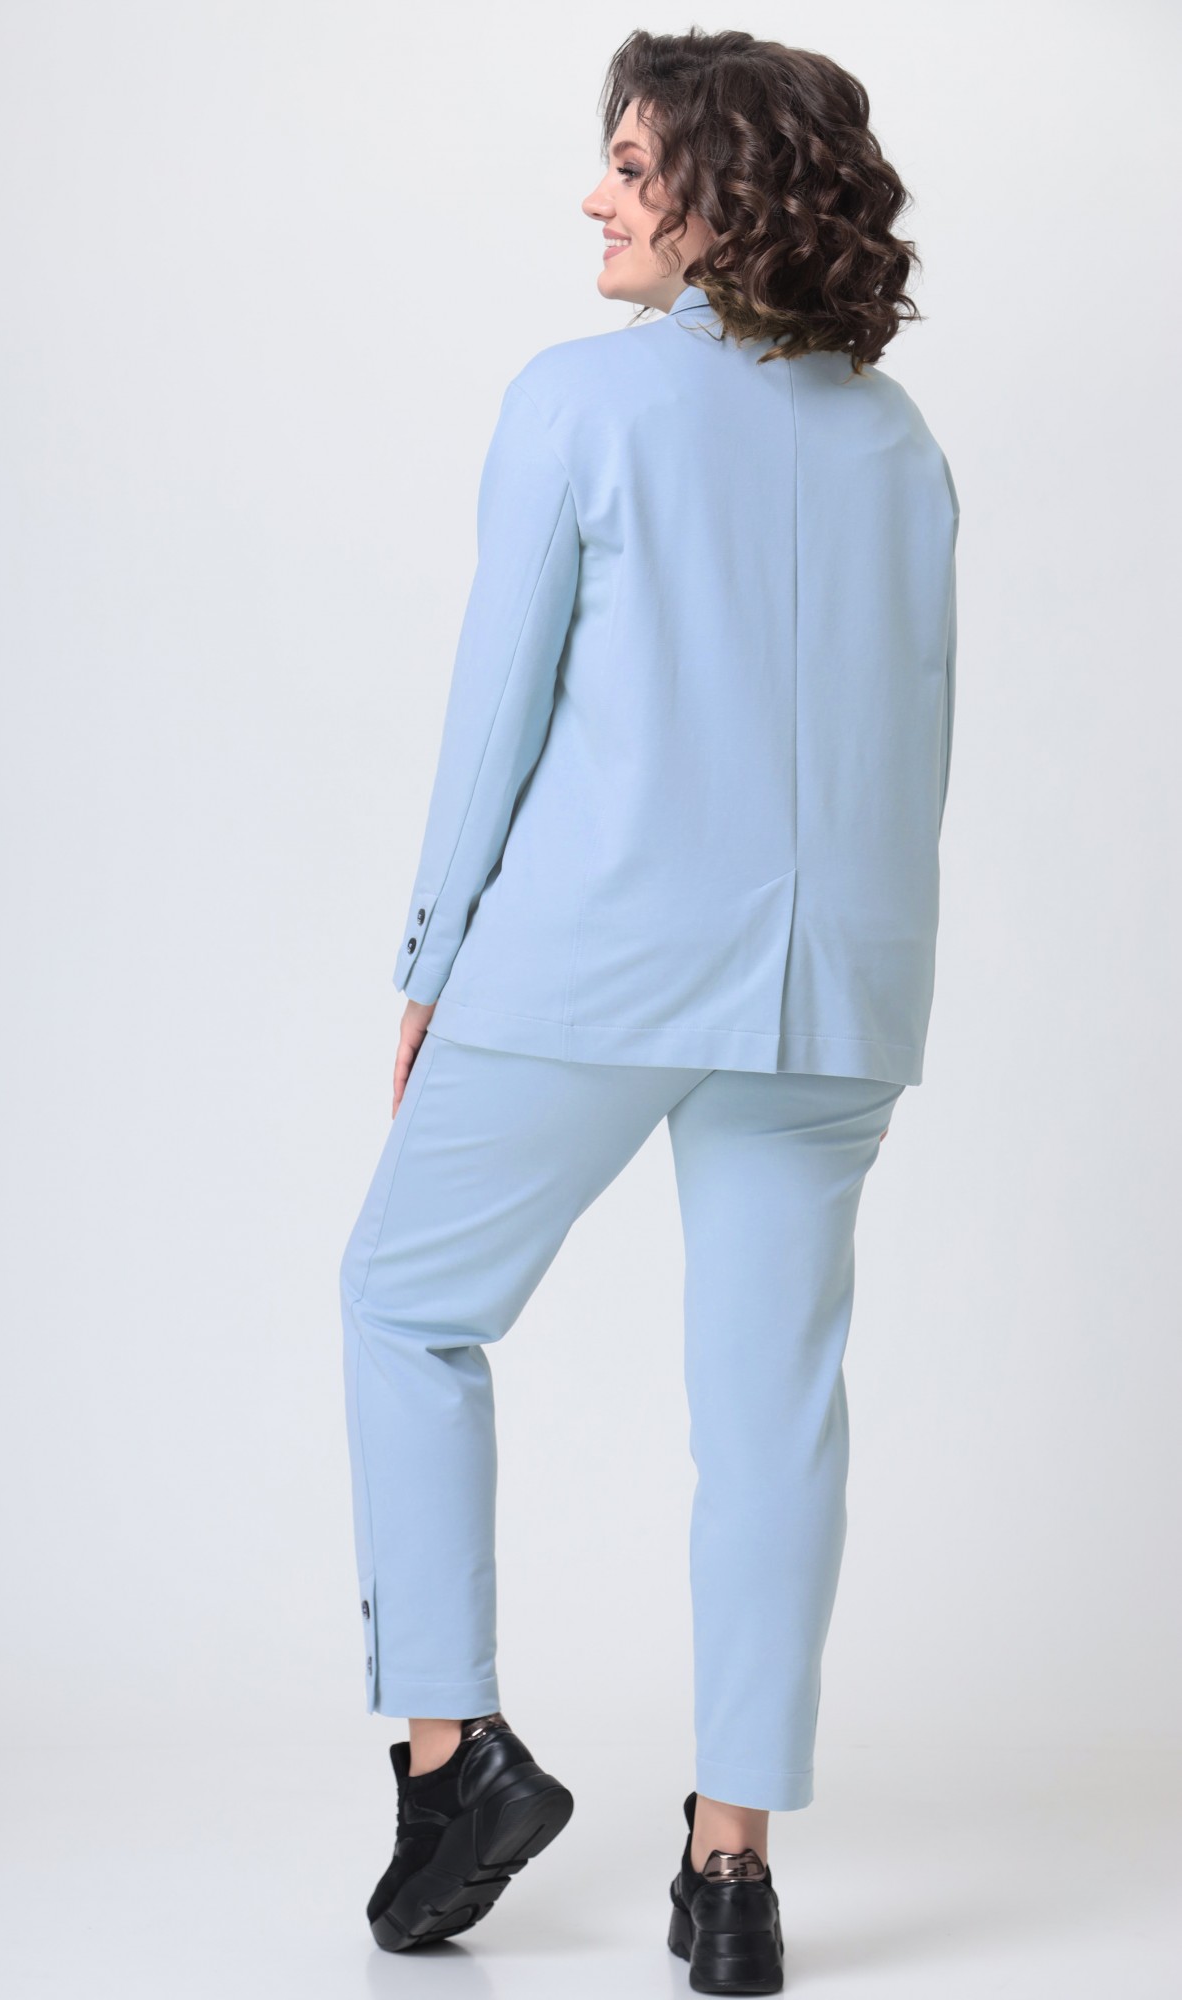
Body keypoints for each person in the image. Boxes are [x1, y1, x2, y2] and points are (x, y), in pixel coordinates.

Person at [339, 27, 958, 1992]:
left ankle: (453, 1759)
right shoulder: (899, 441)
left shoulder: (578, 401)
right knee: (771, 1413)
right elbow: (913, 736)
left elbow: (495, 707)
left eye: (628, 161)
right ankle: (731, 1871)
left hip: (591, 959)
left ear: (725, 188)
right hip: (835, 986)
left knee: (404, 1302)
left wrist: (431, 961)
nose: (593, 195)